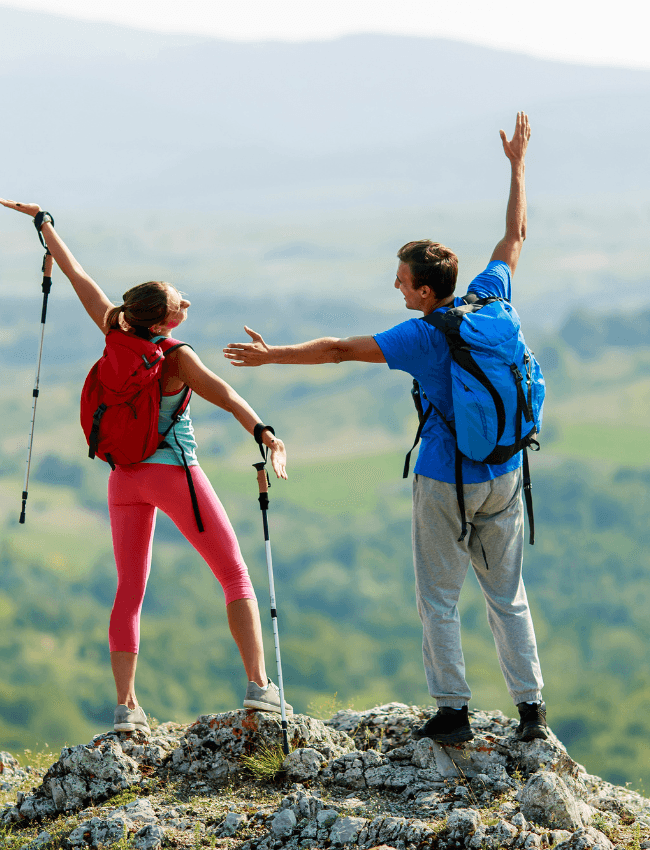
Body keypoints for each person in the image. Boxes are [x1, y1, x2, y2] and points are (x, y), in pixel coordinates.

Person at [223, 112, 547, 744]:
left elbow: (339, 350)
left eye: (402, 280)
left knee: (439, 598)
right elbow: (516, 235)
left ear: (426, 292)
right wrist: (517, 165)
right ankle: (531, 712)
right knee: (508, 596)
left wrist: (270, 356)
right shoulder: (492, 297)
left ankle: (453, 711)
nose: (395, 287)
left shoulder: (424, 334)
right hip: (507, 470)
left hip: (445, 477)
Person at [1, 198, 292, 735]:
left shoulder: (114, 330)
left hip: (123, 479)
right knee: (233, 573)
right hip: (174, 472)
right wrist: (264, 432)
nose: (187, 303)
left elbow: (77, 274)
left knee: (129, 589)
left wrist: (46, 226)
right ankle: (259, 688)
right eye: (180, 302)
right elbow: (225, 395)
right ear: (166, 319)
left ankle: (126, 708)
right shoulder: (177, 358)